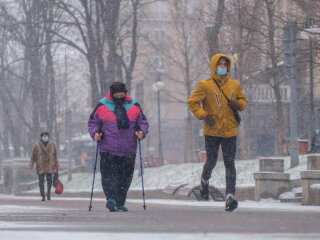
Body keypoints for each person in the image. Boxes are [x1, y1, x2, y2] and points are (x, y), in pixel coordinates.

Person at [188, 54, 248, 211]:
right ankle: (204, 181)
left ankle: (230, 197)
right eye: (219, 64)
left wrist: (238, 104)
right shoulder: (205, 85)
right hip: (212, 130)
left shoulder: (234, 84)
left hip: (230, 130)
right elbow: (192, 102)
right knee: (212, 161)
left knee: (230, 163)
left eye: (225, 65)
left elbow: (243, 101)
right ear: (214, 66)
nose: (222, 67)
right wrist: (204, 115)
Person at [88, 82, 149, 212]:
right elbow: (93, 122)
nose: (120, 96)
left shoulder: (134, 105)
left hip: (128, 149)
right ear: (112, 94)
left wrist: (141, 132)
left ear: (125, 93)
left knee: (125, 177)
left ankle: (120, 202)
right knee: (109, 175)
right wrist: (95, 134)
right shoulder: (102, 105)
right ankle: (111, 199)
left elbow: (143, 122)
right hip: (108, 148)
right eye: (117, 94)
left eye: (122, 94)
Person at [29, 132, 59, 201]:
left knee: (49, 181)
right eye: (44, 136)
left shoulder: (53, 144)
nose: (45, 137)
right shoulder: (37, 145)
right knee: (41, 182)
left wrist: (57, 164)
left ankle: (48, 193)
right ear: (41, 137)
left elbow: (55, 155)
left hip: (50, 165)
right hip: (40, 166)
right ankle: (43, 195)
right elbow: (33, 155)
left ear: (48, 137)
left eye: (46, 136)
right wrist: (31, 163)